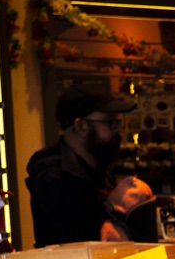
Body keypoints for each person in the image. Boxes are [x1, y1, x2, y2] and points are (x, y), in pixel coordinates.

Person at [25, 86, 135, 247]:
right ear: (81, 127)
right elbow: (70, 256)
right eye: (109, 123)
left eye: (117, 123)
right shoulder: (55, 179)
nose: (118, 131)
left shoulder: (98, 170)